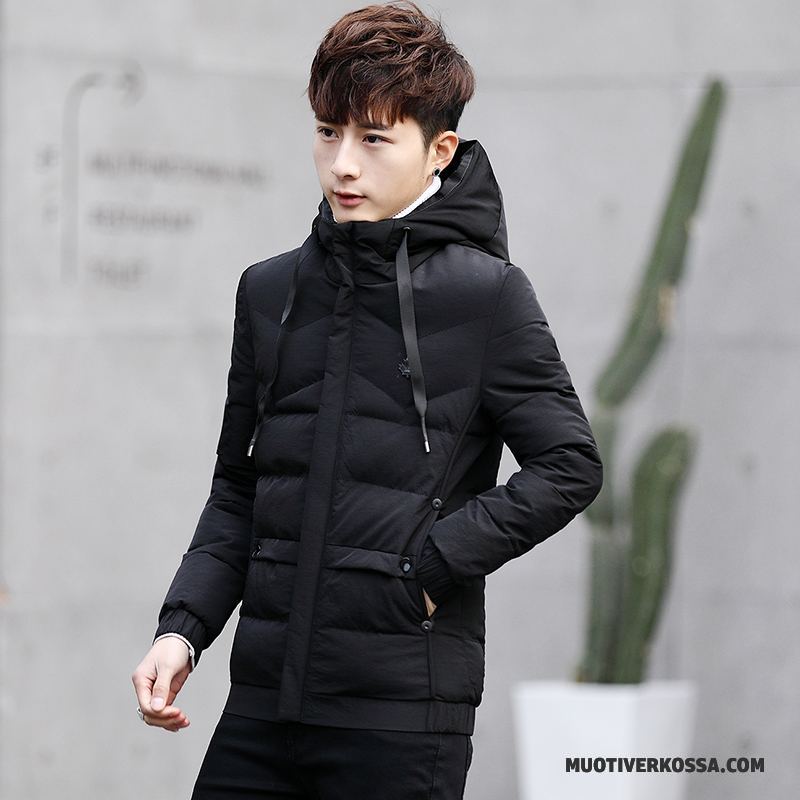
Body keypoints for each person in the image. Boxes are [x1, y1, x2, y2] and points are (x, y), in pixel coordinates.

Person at [131, 2, 603, 797]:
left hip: (399, 720)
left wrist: (427, 568)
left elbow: (570, 465)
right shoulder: (270, 291)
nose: (343, 165)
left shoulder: (487, 297)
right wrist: (183, 629)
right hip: (259, 710)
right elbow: (240, 488)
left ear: (439, 150)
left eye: (374, 139)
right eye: (328, 132)